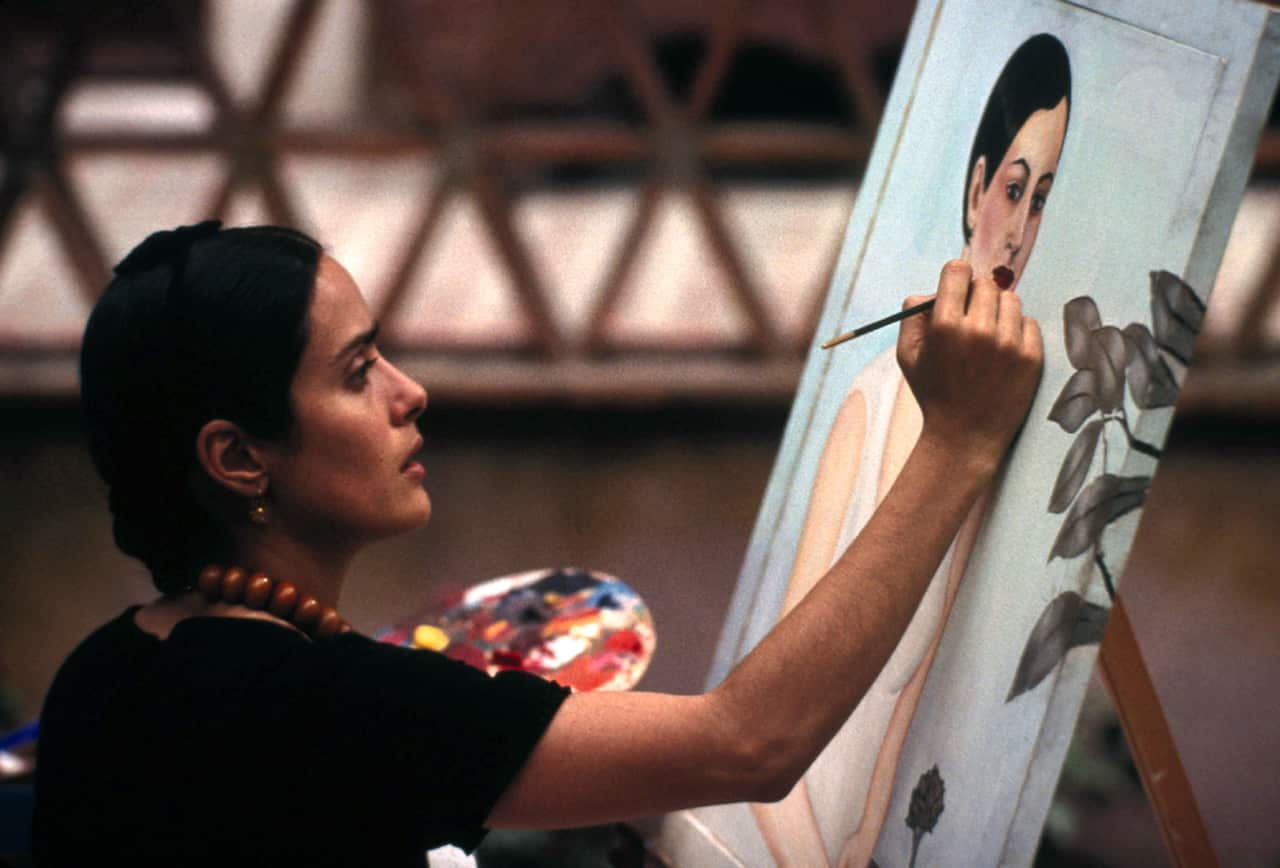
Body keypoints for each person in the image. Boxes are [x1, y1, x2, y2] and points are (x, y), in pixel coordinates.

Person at [31, 218, 1041, 867]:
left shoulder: (103, 673)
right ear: (237, 458)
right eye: (353, 372)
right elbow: (749, 742)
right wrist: (955, 442)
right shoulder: (325, 703)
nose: (407, 391)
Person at [751, 33, 1071, 867]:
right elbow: (761, 720)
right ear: (974, 191)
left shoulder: (1000, 408)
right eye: (1012, 188)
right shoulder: (870, 399)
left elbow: (908, 703)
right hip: (781, 814)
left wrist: (870, 843)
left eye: (1041, 199)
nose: (1019, 230)